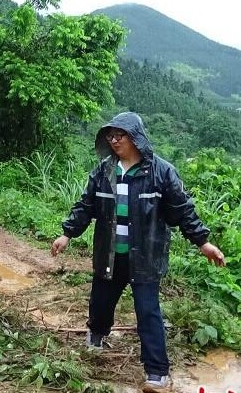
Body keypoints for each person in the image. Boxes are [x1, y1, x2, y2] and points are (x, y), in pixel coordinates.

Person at [51, 112, 225, 393]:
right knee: (100, 303)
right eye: (111, 135)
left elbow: (183, 211)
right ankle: (96, 336)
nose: (114, 140)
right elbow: (86, 206)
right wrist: (67, 233)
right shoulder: (104, 171)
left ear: (136, 137)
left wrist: (203, 242)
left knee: (148, 312)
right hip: (110, 254)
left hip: (145, 256)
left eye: (120, 135)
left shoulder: (161, 172)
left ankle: (157, 373)